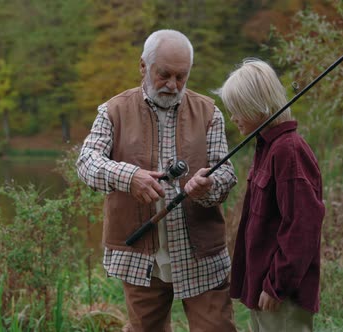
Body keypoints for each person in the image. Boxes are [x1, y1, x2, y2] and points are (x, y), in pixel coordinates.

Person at [76, 29, 238, 332]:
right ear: (143, 66)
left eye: (181, 77)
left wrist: (209, 187)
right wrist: (128, 177)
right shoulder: (113, 110)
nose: (173, 85)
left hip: (201, 254)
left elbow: (226, 174)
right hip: (140, 258)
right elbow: (86, 163)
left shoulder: (209, 113)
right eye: (164, 75)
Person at [216, 58, 325, 332]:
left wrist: (277, 285)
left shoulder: (289, 150)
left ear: (256, 105)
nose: (233, 117)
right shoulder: (267, 147)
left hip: (281, 296)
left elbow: (302, 227)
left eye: (237, 109)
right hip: (264, 289)